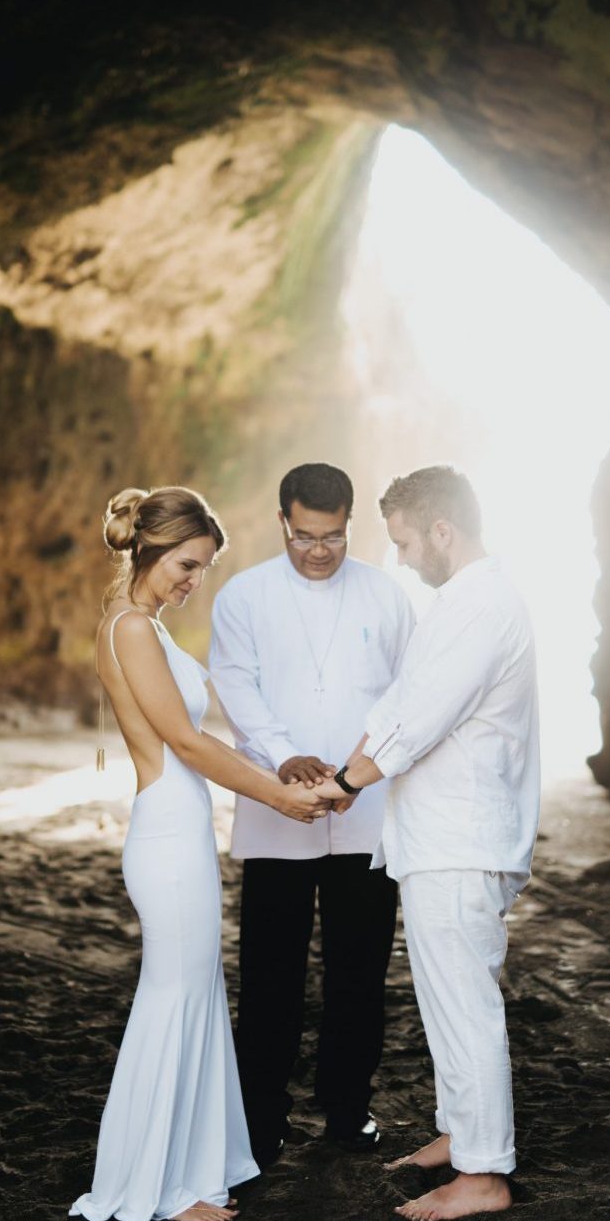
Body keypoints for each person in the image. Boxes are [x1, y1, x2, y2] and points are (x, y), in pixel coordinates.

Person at [69, 486, 327, 1221]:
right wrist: (278, 797)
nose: (194, 579)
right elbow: (185, 743)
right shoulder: (131, 630)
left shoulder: (139, 624)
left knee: (194, 993)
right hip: (167, 835)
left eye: (205, 567)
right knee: (172, 997)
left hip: (180, 832)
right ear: (148, 548)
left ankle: (183, 1167)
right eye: (186, 562)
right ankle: (151, 1183)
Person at [313, 466, 540, 1221]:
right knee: (444, 1000)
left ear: (442, 530)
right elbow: (396, 706)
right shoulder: (458, 604)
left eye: (406, 540)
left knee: (464, 1003)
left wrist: (343, 784)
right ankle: (459, 1133)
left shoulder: (482, 605)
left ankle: (482, 1174)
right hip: (436, 833)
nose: (402, 556)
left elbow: (422, 718)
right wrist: (343, 769)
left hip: (460, 833)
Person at [208, 463, 415, 1167]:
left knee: (358, 972)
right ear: (281, 522)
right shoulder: (244, 596)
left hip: (365, 816)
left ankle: (346, 1109)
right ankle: (261, 1118)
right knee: (270, 975)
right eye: (304, 536)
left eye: (331, 535)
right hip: (275, 812)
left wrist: (360, 769)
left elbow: (405, 698)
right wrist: (284, 756)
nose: (318, 549)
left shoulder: (387, 596)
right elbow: (235, 684)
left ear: (348, 523)